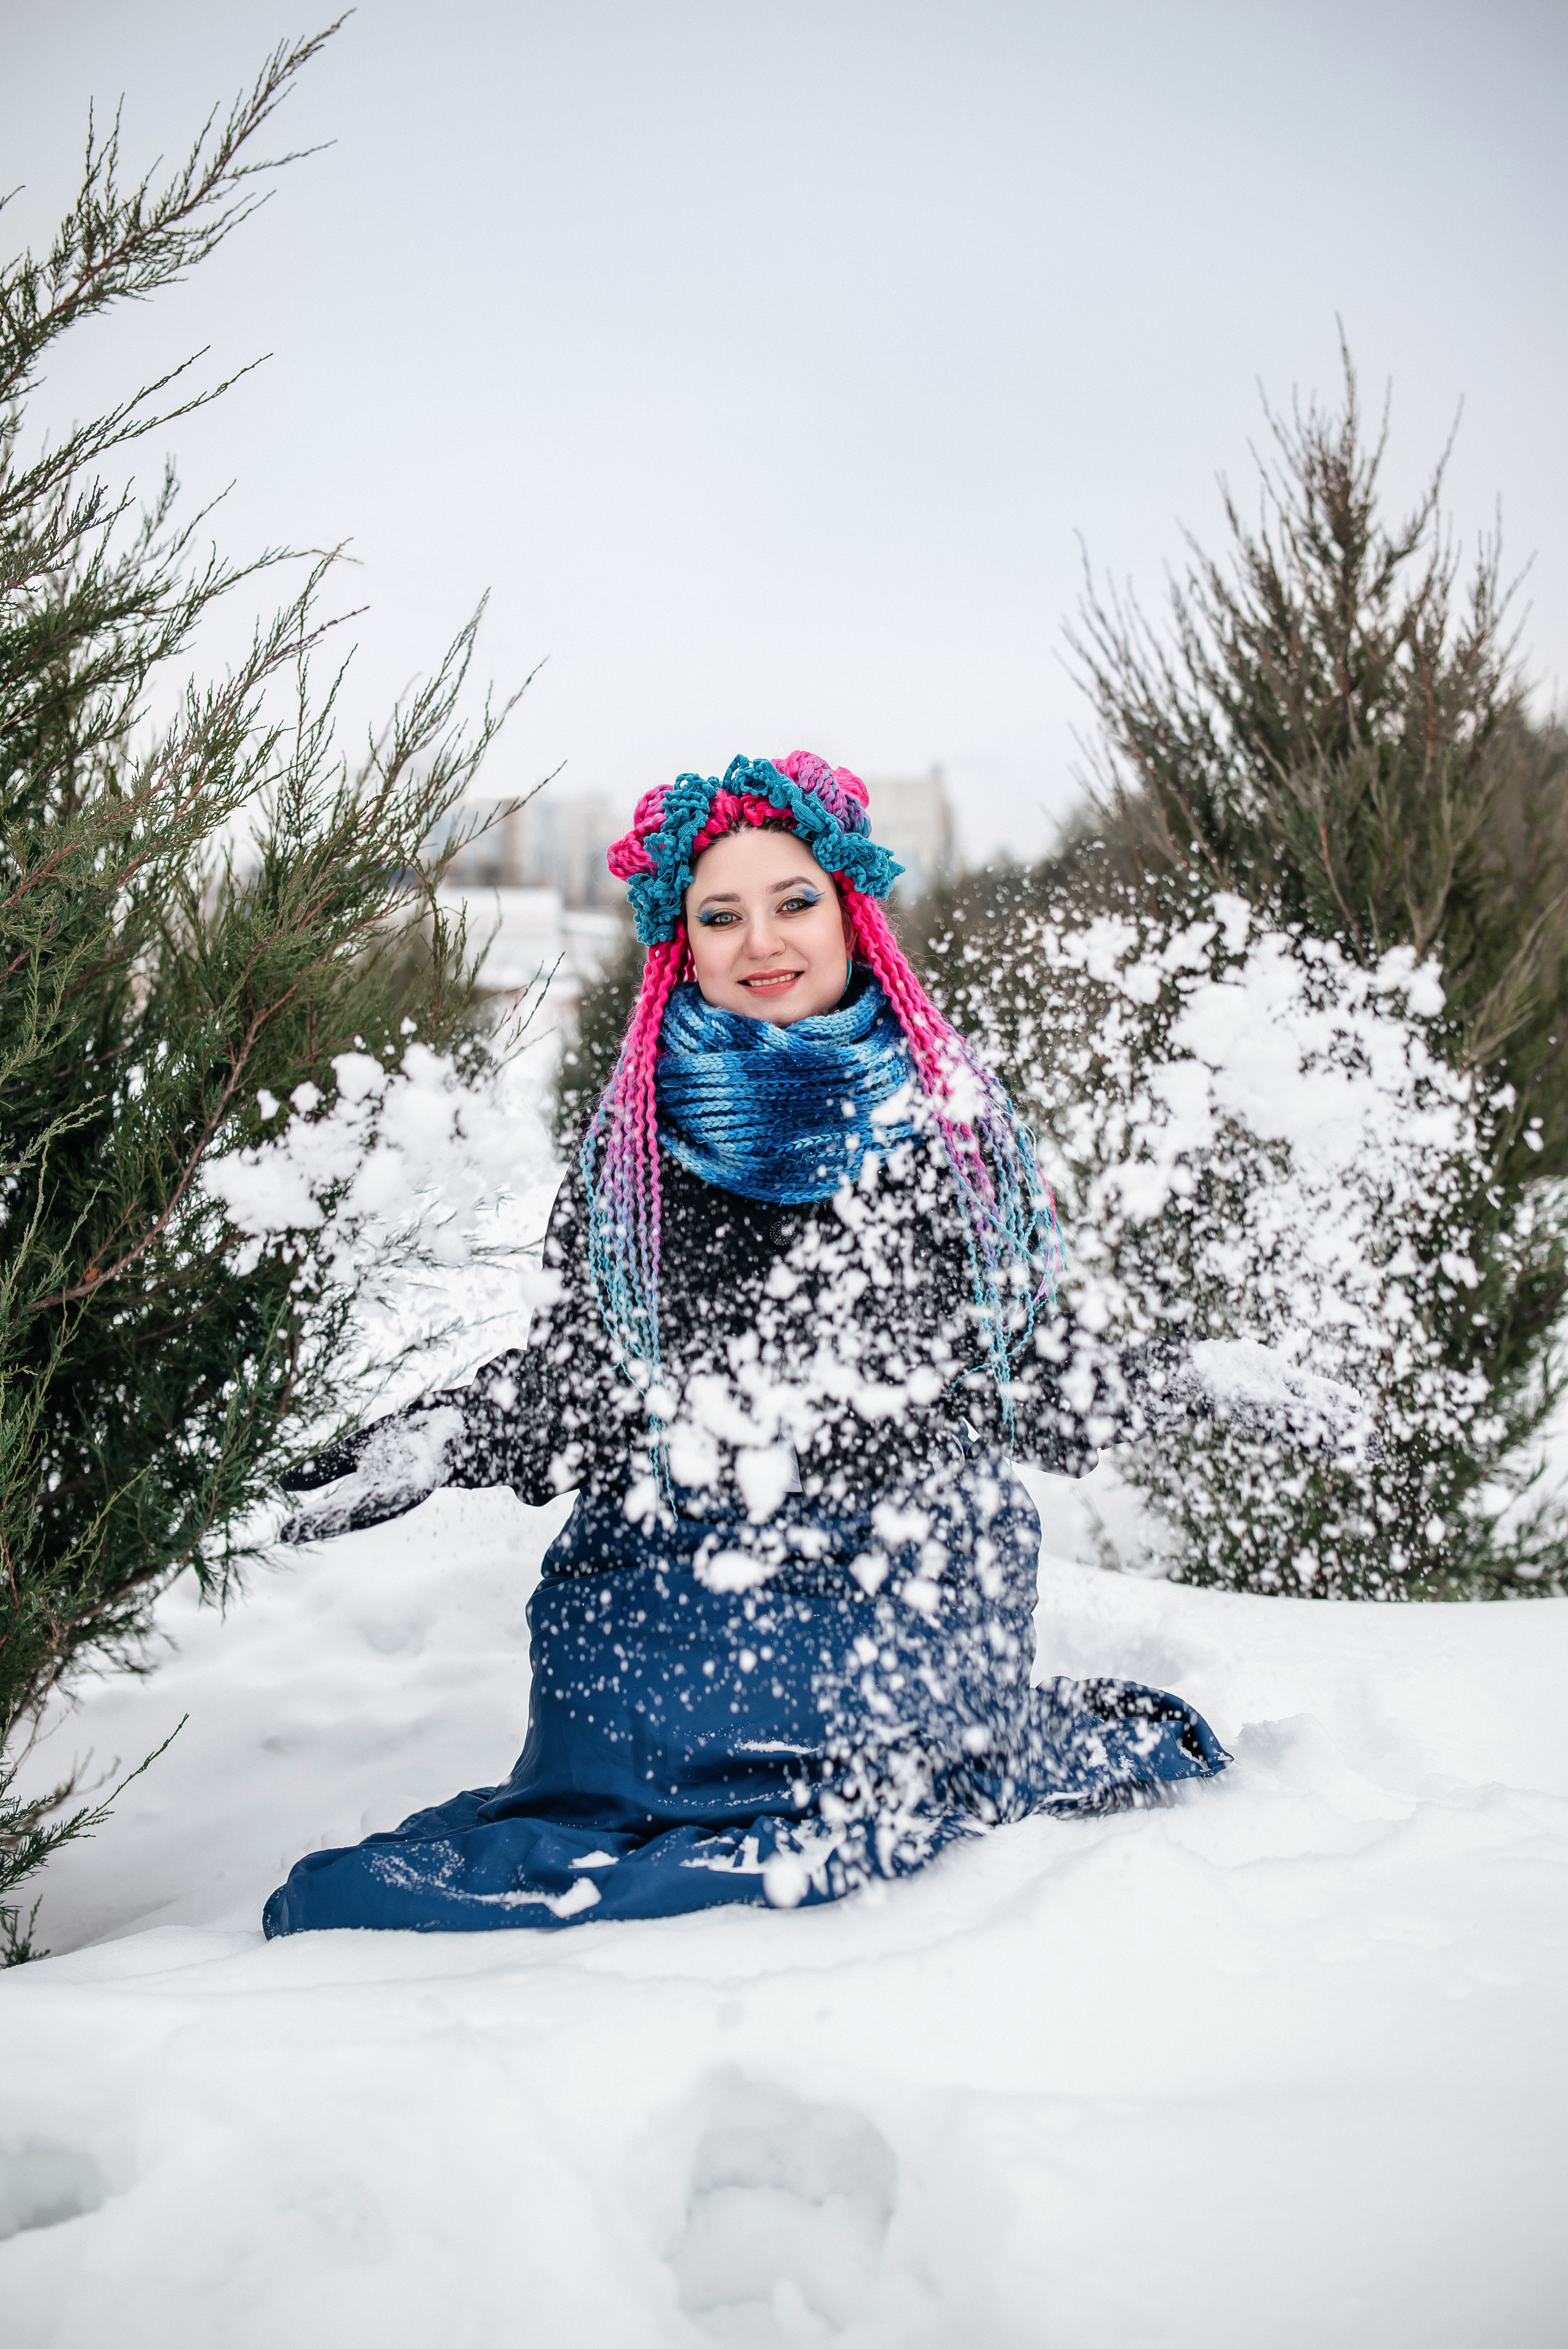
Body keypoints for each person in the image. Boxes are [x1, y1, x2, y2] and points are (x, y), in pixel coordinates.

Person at [264, 752, 1268, 1938]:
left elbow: (1023, 1366)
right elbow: (592, 1375)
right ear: (679, 943)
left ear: (850, 912)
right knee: (626, 1683)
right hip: (679, 1558)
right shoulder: (636, 1151)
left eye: (794, 902)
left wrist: (1187, 1381)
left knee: (877, 1699)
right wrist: (456, 1431)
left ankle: (854, 1741)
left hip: (901, 1559)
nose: (763, 941)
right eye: (721, 915)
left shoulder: (948, 1133)